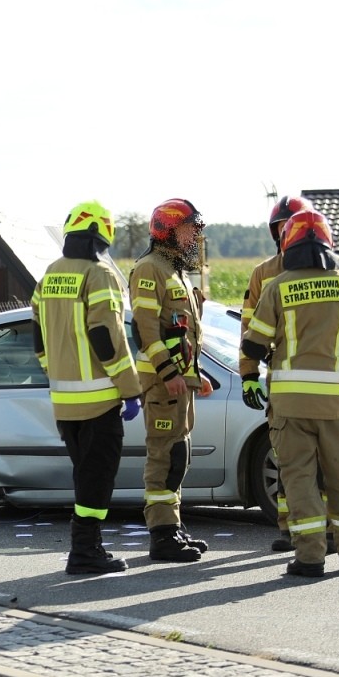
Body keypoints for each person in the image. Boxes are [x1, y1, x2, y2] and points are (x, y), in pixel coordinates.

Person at [241, 210, 339, 577]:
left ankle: (310, 558)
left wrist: (258, 364)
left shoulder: (277, 286)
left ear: (288, 244)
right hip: (335, 402)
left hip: (290, 404)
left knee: (298, 479)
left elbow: (253, 344)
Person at [31, 201, 143, 575]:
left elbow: (37, 335)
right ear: (103, 234)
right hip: (99, 402)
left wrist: (55, 371)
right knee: (97, 479)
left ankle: (87, 547)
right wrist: (129, 388)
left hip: (64, 402)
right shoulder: (100, 275)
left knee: (85, 475)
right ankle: (85, 552)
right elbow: (106, 336)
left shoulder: (49, 275)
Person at [128, 199, 212, 563]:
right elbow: (146, 329)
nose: (195, 234)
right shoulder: (150, 269)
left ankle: (172, 526)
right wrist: (168, 372)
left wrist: (196, 375)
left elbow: (182, 333)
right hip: (163, 383)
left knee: (179, 454)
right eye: (189, 228)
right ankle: (161, 535)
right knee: (164, 455)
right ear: (168, 230)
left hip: (179, 381)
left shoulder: (174, 270)